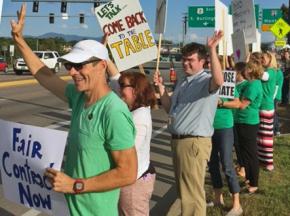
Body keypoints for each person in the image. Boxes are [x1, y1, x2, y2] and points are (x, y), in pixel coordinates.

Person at [11, 4, 137, 216]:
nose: (73, 72)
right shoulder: (79, 97)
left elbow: (128, 172)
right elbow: (46, 76)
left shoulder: (113, 112)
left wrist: (75, 185)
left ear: (102, 66)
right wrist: (19, 40)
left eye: (80, 66)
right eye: (70, 66)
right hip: (68, 209)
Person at [154, 31, 224, 216]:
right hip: (179, 141)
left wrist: (212, 49)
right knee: (184, 192)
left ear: (203, 62)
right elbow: (170, 109)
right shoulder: (183, 82)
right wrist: (161, 89)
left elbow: (219, 81)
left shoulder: (205, 81)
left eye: (190, 60)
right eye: (183, 59)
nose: (185, 63)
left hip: (193, 143)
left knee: (192, 195)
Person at [107, 59, 157, 216]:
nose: (119, 89)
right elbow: (116, 78)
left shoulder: (139, 118)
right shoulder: (134, 107)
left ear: (136, 90)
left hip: (134, 183)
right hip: (133, 178)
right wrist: (103, 56)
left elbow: (126, 153)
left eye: (123, 86)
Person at [207, 60, 243, 216]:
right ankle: (217, 198)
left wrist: (221, 103)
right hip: (208, 128)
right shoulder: (204, 81)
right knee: (212, 163)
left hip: (224, 127)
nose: (209, 66)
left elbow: (237, 103)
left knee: (227, 164)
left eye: (211, 64)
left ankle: (237, 204)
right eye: (207, 64)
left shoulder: (227, 81)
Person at [235, 60, 263, 194]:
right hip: (243, 121)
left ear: (250, 70)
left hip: (248, 122)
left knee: (251, 154)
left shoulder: (253, 85)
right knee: (246, 153)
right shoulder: (252, 84)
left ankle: (254, 183)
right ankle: (249, 179)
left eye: (246, 68)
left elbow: (243, 104)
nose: (244, 70)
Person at [257, 51, 277, 171]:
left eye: (263, 58)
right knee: (261, 135)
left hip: (266, 106)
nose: (261, 60)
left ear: (270, 59)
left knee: (266, 136)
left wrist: (253, 64)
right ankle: (263, 159)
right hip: (263, 106)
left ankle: (269, 163)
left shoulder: (270, 72)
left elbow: (262, 76)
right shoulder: (269, 71)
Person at [233, 62, 248, 178]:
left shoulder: (245, 85)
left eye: (235, 71)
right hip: (234, 118)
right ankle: (240, 164)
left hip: (241, 119)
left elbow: (240, 103)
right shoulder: (235, 84)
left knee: (241, 144)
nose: (233, 73)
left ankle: (243, 167)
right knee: (236, 144)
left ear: (240, 73)